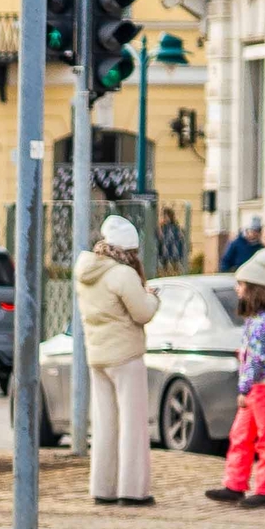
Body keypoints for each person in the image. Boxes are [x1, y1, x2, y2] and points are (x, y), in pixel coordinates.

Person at [75, 214, 160, 506]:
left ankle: (103, 488)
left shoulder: (85, 270)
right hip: (125, 354)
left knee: (104, 424)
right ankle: (133, 490)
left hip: (97, 354)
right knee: (132, 425)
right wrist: (152, 297)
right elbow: (142, 313)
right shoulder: (122, 274)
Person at [210, 251, 265, 508]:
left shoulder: (261, 322)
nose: (236, 289)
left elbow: (256, 359)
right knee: (242, 434)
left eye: (241, 284)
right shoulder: (263, 318)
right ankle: (235, 483)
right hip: (261, 386)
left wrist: (244, 388)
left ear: (253, 288)